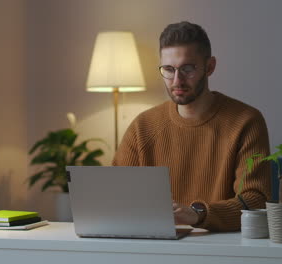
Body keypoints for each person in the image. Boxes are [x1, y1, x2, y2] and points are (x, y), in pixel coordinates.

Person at [112, 21, 271, 232]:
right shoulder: (143, 127)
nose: (177, 80)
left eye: (188, 68)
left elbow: (255, 200)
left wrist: (197, 214)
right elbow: (114, 195)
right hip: (155, 245)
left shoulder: (245, 121)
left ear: (210, 66)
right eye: (168, 69)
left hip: (222, 246)